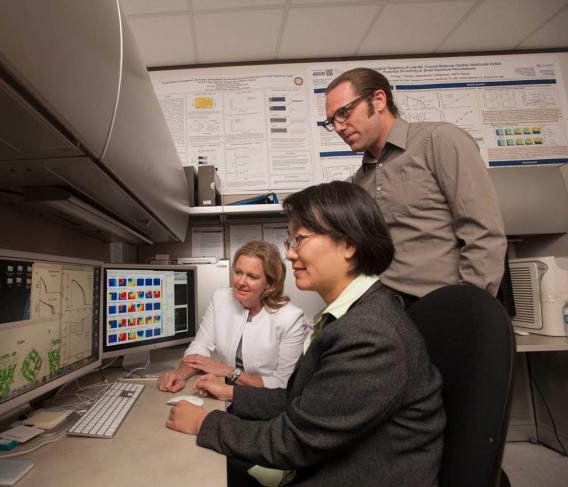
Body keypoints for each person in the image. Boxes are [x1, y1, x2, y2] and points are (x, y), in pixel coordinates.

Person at [165, 182, 445, 487]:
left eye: (299, 239)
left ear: (349, 245)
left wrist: (206, 423)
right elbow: (302, 403)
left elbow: (296, 440)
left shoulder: (370, 335)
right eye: (290, 240)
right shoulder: (353, 316)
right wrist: (233, 393)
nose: (289, 254)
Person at [323, 67, 506, 306]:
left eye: (344, 113)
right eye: (331, 121)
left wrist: (469, 307)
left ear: (379, 100)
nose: (338, 127)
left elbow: (483, 231)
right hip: (389, 312)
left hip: (443, 306)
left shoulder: (438, 140)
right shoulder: (361, 180)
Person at [158, 240, 307, 393]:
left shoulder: (291, 318)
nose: (241, 282)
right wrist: (180, 374)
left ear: (269, 283)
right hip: (226, 393)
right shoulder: (220, 298)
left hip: (264, 403)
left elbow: (283, 383)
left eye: (252, 276)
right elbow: (201, 346)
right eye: (238, 272)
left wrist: (229, 372)